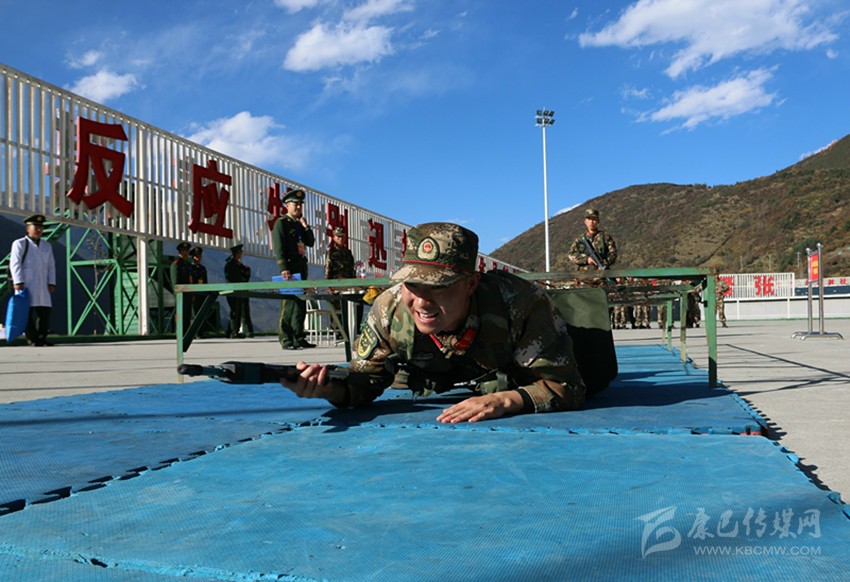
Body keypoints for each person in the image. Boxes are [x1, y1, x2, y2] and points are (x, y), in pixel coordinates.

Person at [281, 222, 587, 423]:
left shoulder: (519, 304)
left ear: (471, 284)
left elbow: (567, 386)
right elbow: (364, 382)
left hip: (511, 374)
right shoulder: (389, 309)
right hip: (430, 378)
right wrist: (327, 389)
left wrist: (507, 400)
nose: (421, 301)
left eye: (439, 287)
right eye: (412, 285)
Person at [272, 188, 315, 350]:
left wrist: (306, 227)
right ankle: (286, 338)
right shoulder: (281, 223)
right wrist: (283, 267)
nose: (298, 207)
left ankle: (299, 337)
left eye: (300, 204)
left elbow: (310, 242)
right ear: (287, 206)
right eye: (295, 204)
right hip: (289, 267)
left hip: (300, 266)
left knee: (300, 303)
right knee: (289, 303)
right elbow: (279, 247)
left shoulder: (299, 225)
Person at [9, 214, 56, 346]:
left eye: (41, 227)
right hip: (26, 283)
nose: (39, 230)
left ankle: (42, 337)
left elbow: (51, 266)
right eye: (36, 227)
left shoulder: (47, 246)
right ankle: (33, 338)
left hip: (42, 284)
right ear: (28, 229)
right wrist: (18, 281)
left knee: (44, 312)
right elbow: (15, 263)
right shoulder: (19, 244)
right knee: (27, 313)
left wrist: (51, 282)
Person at [324, 226, 362, 336]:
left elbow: (352, 270)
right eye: (338, 237)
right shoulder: (331, 252)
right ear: (334, 238)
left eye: (342, 237)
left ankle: (354, 328)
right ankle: (337, 330)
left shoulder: (348, 253)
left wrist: (355, 284)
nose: (340, 239)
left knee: (358, 302)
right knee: (337, 306)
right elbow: (328, 269)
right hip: (336, 284)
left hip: (348, 284)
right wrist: (328, 285)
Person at [567, 208, 617, 272]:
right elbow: (571, 254)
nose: (591, 222)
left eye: (594, 219)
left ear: (598, 221)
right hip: (584, 275)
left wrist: (605, 263)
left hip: (602, 274)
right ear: (585, 221)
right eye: (589, 219)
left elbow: (613, 253)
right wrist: (586, 259)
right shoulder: (580, 239)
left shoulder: (605, 237)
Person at [224, 243, 254, 338]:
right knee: (235, 311)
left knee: (242, 310)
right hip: (233, 291)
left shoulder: (239, 265)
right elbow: (232, 278)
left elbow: (245, 276)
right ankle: (234, 332)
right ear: (236, 253)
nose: (241, 254)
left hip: (241, 290)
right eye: (239, 252)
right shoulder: (231, 265)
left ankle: (235, 331)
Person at [189, 246, 212, 337]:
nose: (198, 258)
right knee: (194, 313)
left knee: (202, 313)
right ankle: (195, 332)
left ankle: (202, 331)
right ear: (193, 257)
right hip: (195, 293)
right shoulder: (190, 268)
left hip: (202, 293)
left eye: (199, 256)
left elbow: (205, 281)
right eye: (196, 256)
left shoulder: (202, 268)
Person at [170, 242, 193, 333]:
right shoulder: (176, 264)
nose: (186, 253)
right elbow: (175, 283)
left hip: (189, 294)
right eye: (184, 251)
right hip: (181, 295)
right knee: (181, 315)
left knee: (187, 315)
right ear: (179, 252)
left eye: (187, 251)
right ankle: (180, 333)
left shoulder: (189, 265)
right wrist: (178, 294)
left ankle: (186, 333)